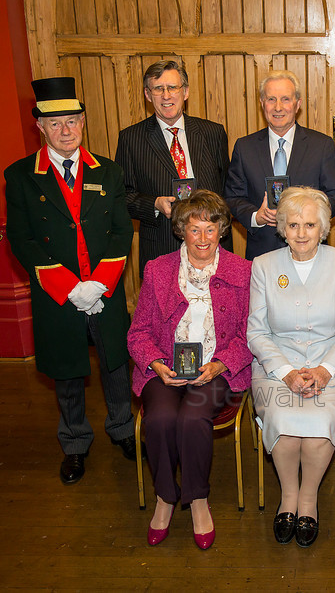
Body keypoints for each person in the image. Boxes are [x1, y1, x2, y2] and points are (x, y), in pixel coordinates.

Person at [4, 77, 136, 485]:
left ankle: (123, 430)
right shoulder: (22, 175)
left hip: (104, 290)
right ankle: (75, 442)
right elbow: (22, 238)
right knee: (67, 369)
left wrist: (98, 284)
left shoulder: (108, 172)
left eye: (73, 121)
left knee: (115, 362)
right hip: (56, 294)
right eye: (56, 123)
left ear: (83, 122)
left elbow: (119, 230)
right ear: (40, 127)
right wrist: (69, 287)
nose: (66, 130)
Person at [128, 189, 252, 550]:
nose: (203, 239)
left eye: (210, 229)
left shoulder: (243, 272)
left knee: (192, 417)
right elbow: (138, 333)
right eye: (194, 229)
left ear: (222, 231)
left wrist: (219, 365)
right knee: (161, 418)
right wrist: (155, 364)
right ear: (181, 230)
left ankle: (197, 498)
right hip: (166, 368)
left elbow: (249, 334)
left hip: (218, 370)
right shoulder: (157, 270)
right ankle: (165, 497)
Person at [247, 187, 335, 548]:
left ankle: (309, 501)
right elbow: (257, 331)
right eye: (293, 224)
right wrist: (285, 372)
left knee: (318, 427)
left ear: (323, 227)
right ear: (281, 226)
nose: (301, 233)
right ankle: (288, 497)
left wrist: (326, 370)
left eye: (310, 225)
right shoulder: (264, 266)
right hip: (276, 366)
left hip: (334, 364)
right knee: (283, 423)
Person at [117, 60, 232, 274]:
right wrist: (154, 204)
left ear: (185, 91)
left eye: (172, 87)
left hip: (212, 246)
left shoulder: (212, 133)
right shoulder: (131, 139)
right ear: (147, 94)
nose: (166, 96)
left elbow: (228, 188)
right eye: (158, 89)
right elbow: (122, 197)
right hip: (161, 246)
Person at [224, 70, 335, 260]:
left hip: (311, 252)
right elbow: (233, 197)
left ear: (298, 104)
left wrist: (309, 216)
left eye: (285, 99)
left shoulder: (321, 145)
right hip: (263, 253)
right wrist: (256, 216)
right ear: (262, 103)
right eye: (271, 99)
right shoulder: (244, 147)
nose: (278, 107)